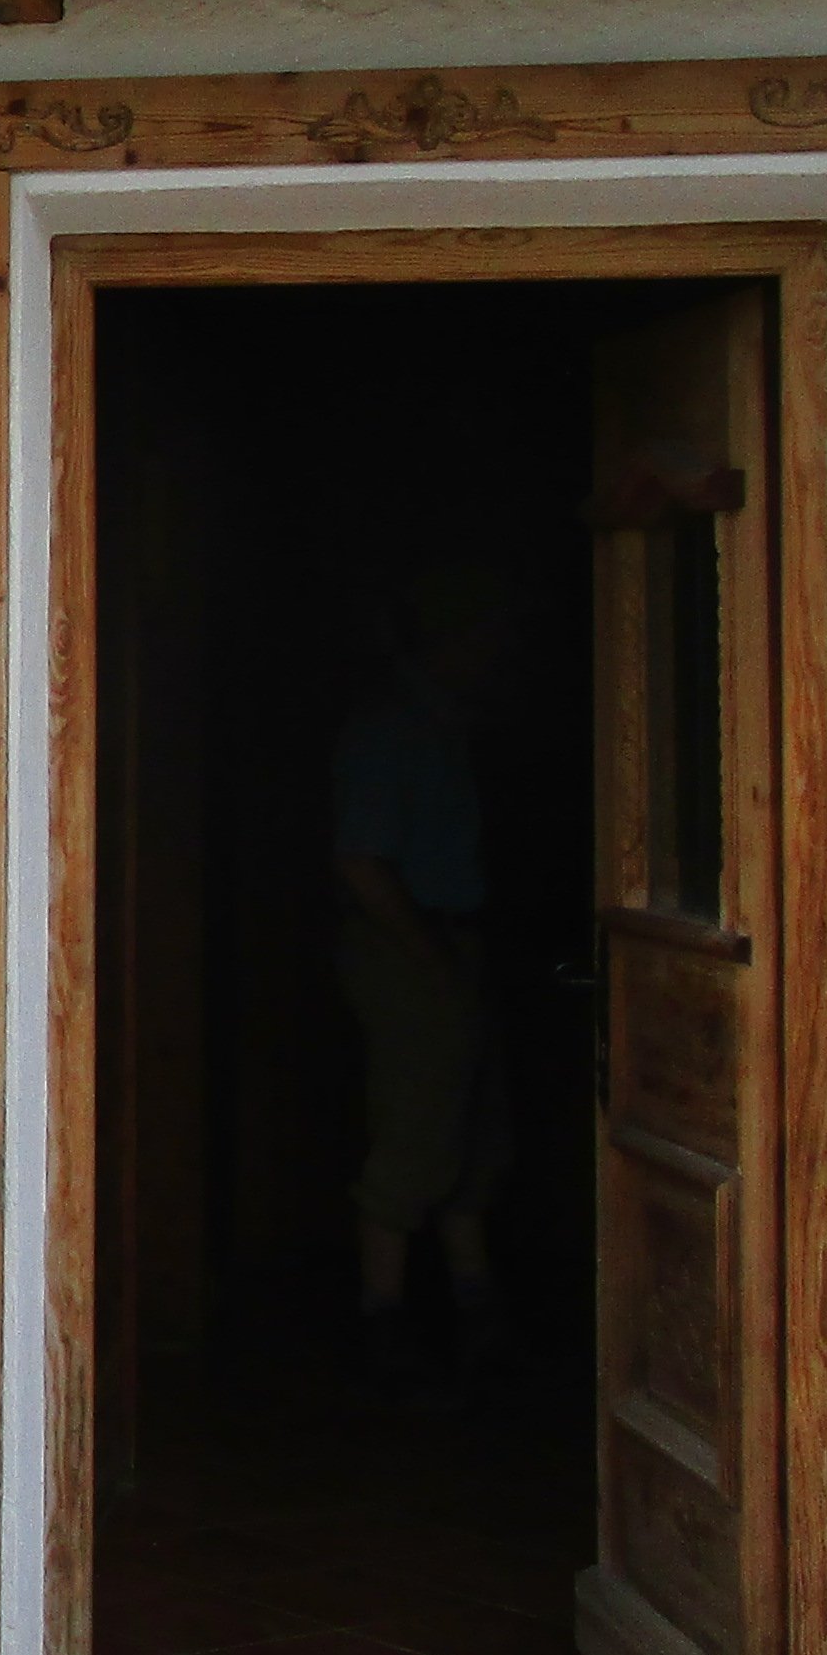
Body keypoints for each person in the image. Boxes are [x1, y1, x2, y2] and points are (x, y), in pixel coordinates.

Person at [333, 570, 510, 1381]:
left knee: (473, 1132)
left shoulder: (451, 725)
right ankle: (385, 1324)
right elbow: (361, 862)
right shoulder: (389, 730)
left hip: (454, 942)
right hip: (409, 947)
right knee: (415, 1132)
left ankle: (477, 1312)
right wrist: (429, 956)